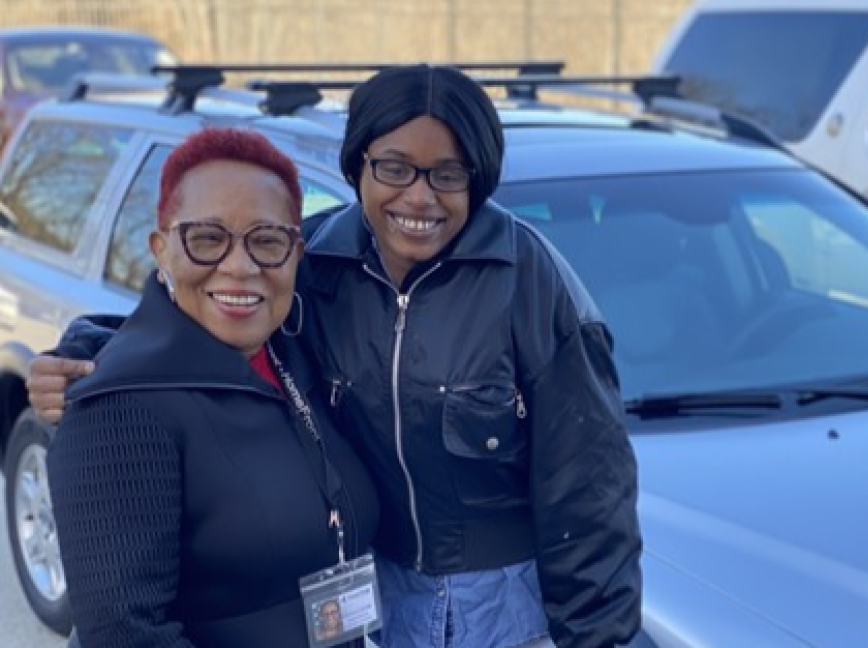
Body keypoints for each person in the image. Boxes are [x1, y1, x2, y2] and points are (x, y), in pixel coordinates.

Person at [31, 64, 642, 648]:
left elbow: (590, 496)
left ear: (476, 179)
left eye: (447, 174)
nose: (420, 197)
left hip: (501, 609)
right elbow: (213, 321)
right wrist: (89, 352)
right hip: (370, 600)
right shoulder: (318, 263)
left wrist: (594, 636)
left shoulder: (530, 285)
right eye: (395, 168)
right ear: (359, 169)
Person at [45, 127, 380, 648]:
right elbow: (124, 635)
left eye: (267, 241)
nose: (240, 267)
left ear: (296, 253)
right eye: (207, 238)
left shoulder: (294, 355)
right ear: (162, 250)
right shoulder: (119, 408)